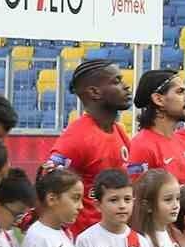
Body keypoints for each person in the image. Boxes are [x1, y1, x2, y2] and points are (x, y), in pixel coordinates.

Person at [45, 58, 132, 237]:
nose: (126, 86)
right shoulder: (77, 137)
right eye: (116, 81)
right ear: (94, 92)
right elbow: (47, 181)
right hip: (85, 243)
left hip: (115, 238)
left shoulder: (119, 131)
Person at [128, 69, 185, 184]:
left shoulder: (183, 144)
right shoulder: (141, 146)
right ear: (158, 99)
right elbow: (136, 195)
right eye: (180, 92)